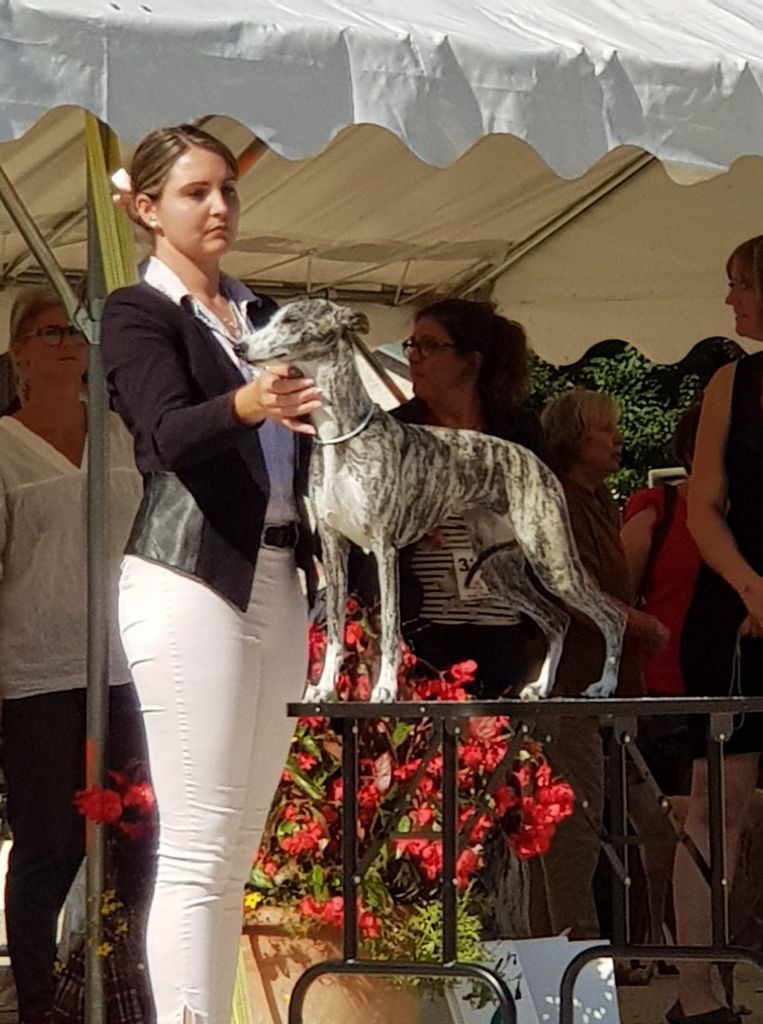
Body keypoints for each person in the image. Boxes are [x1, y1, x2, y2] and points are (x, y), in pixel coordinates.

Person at [100, 124, 321, 1024]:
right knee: (197, 846)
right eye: (196, 192)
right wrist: (249, 400)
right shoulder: (136, 311)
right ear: (148, 210)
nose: (220, 205)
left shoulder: (259, 312)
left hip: (278, 574)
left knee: (235, 850)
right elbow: (162, 435)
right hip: (188, 576)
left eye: (227, 188)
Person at [0, 289, 151, 1024]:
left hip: (132, 663)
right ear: (19, 353)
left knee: (135, 837)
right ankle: (38, 1003)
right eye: (48, 332)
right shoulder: (4, 446)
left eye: (74, 332)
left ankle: (117, 987)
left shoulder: (121, 434)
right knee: (50, 844)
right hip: (37, 669)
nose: (65, 343)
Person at [669, 236, 763, 1024]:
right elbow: (700, 507)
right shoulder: (731, 382)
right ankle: (694, 995)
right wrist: (749, 586)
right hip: (736, 607)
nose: (729, 301)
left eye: (739, 285)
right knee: (713, 807)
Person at [536, 389, 669, 940]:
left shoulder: (598, 500)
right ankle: (574, 957)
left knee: (634, 823)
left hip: (605, 692)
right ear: (573, 438)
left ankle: (591, 948)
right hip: (570, 690)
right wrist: (643, 626)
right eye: (605, 429)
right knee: (575, 825)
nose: (618, 439)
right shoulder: (561, 501)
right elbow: (574, 591)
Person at [391, 297, 547, 698]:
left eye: (430, 345)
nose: (415, 357)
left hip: (506, 623)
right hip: (423, 622)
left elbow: (543, 517)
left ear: (471, 361)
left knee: (502, 734)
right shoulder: (398, 430)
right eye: (412, 345)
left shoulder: (517, 430)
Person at [620, 405, 702, 954]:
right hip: (661, 692)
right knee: (667, 831)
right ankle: (661, 938)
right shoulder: (659, 509)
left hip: (728, 690)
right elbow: (616, 593)